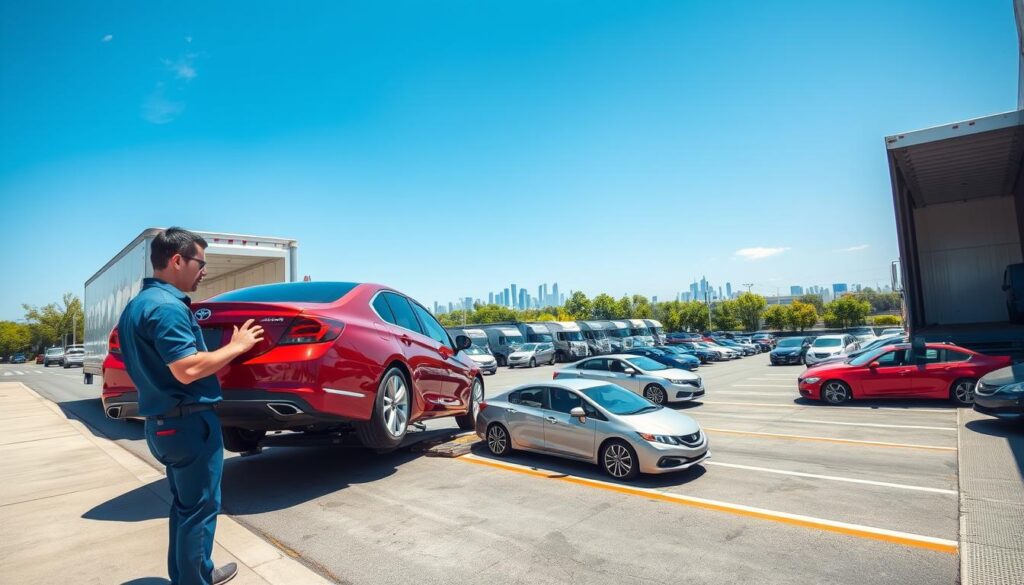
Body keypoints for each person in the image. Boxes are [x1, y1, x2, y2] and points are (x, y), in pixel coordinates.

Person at [118, 227, 264, 585]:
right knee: (200, 509)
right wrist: (238, 346)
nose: (204, 270)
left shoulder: (137, 306)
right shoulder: (167, 308)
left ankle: (198, 573)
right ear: (177, 260)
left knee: (187, 508)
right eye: (201, 262)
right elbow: (187, 369)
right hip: (188, 424)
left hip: (162, 424)